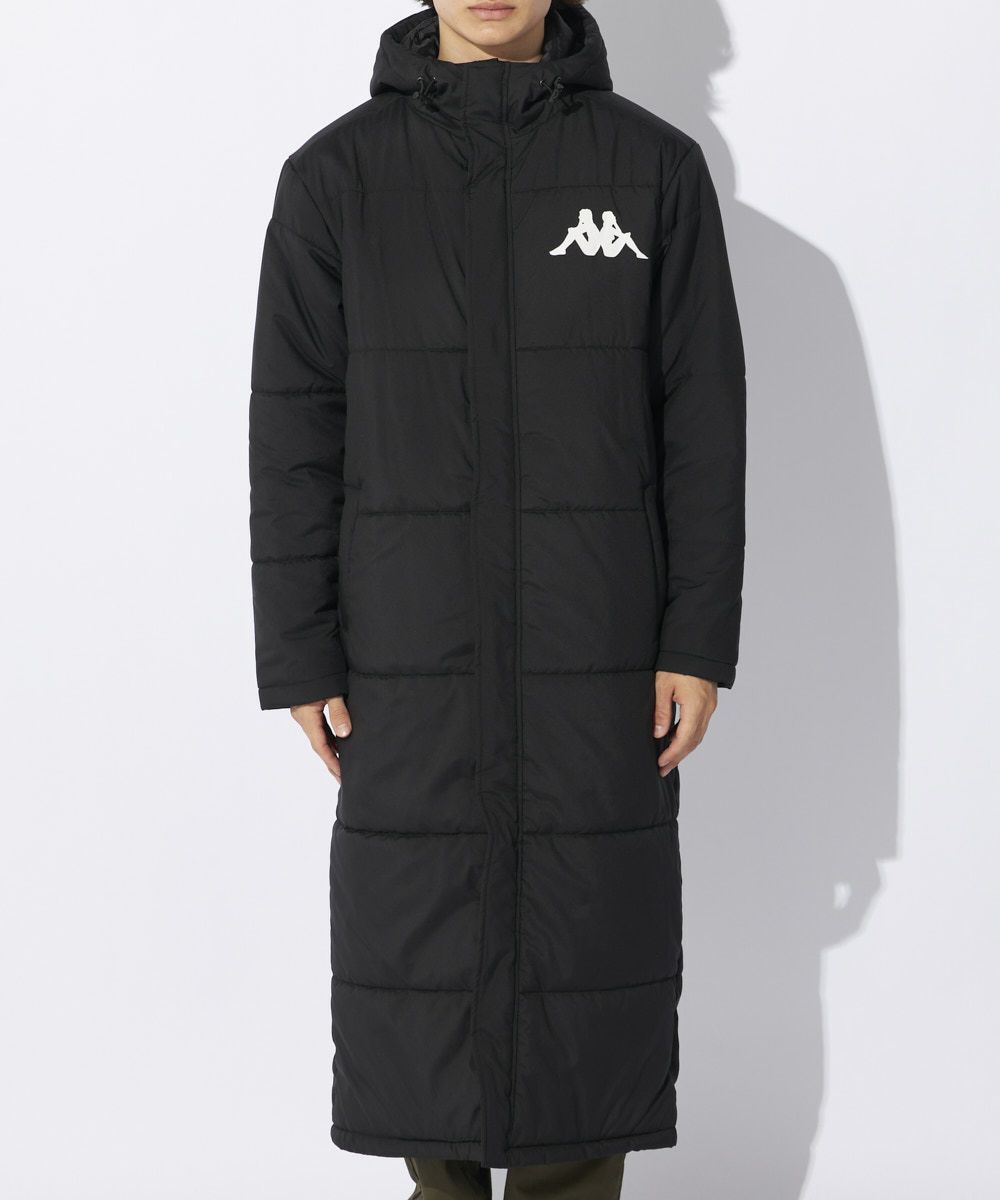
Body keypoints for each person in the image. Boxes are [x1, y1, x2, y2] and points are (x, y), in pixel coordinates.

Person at [248, 1, 746, 1197]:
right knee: (421, 957)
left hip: (599, 648)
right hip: (406, 652)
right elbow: (294, 431)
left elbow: (703, 421)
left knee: (589, 953)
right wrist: (300, 652)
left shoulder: (652, 170)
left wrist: (696, 638)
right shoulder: (334, 178)